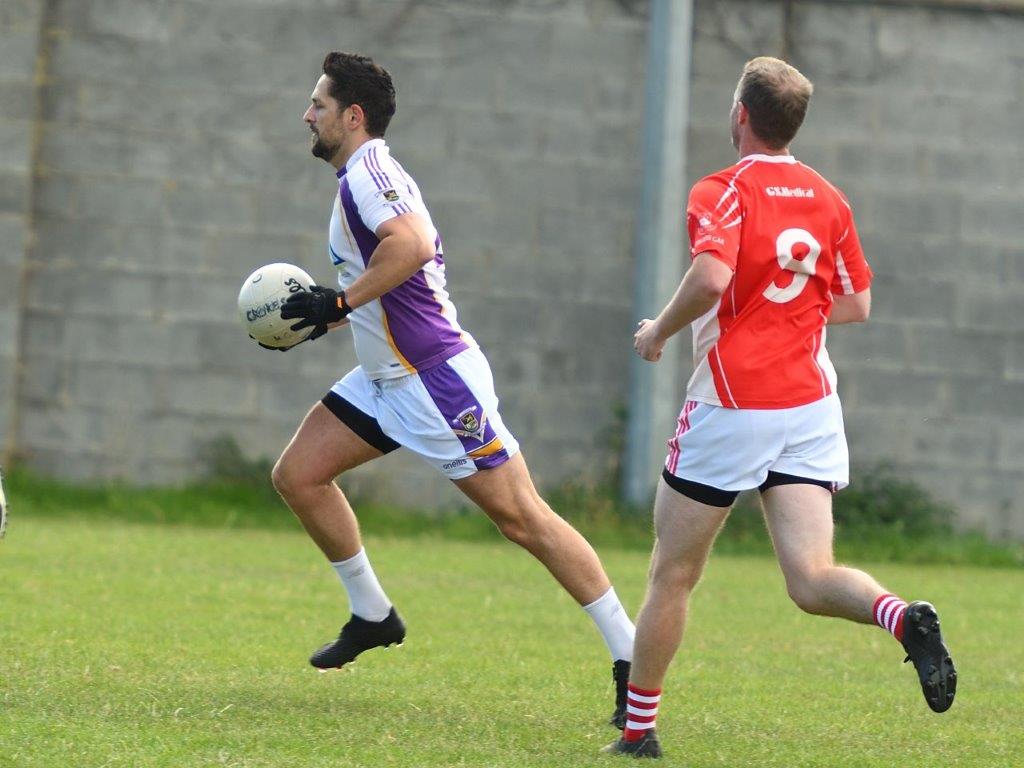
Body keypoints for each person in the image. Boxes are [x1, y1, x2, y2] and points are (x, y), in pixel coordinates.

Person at [265, 51, 635, 726]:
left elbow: (409, 245)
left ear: (353, 116)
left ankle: (632, 656)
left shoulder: (370, 171)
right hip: (386, 378)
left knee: (522, 518)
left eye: (317, 105)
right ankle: (372, 615)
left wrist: (341, 304)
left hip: (432, 380)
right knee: (299, 475)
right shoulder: (361, 173)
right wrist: (338, 314)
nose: (306, 115)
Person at [603, 57, 956, 759]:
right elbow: (856, 302)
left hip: (735, 402)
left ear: (740, 115)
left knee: (672, 573)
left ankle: (639, 733)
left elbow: (709, 278)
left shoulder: (722, 190)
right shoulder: (828, 197)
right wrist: (790, 317)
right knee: (810, 578)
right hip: (810, 405)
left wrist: (657, 334)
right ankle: (901, 617)